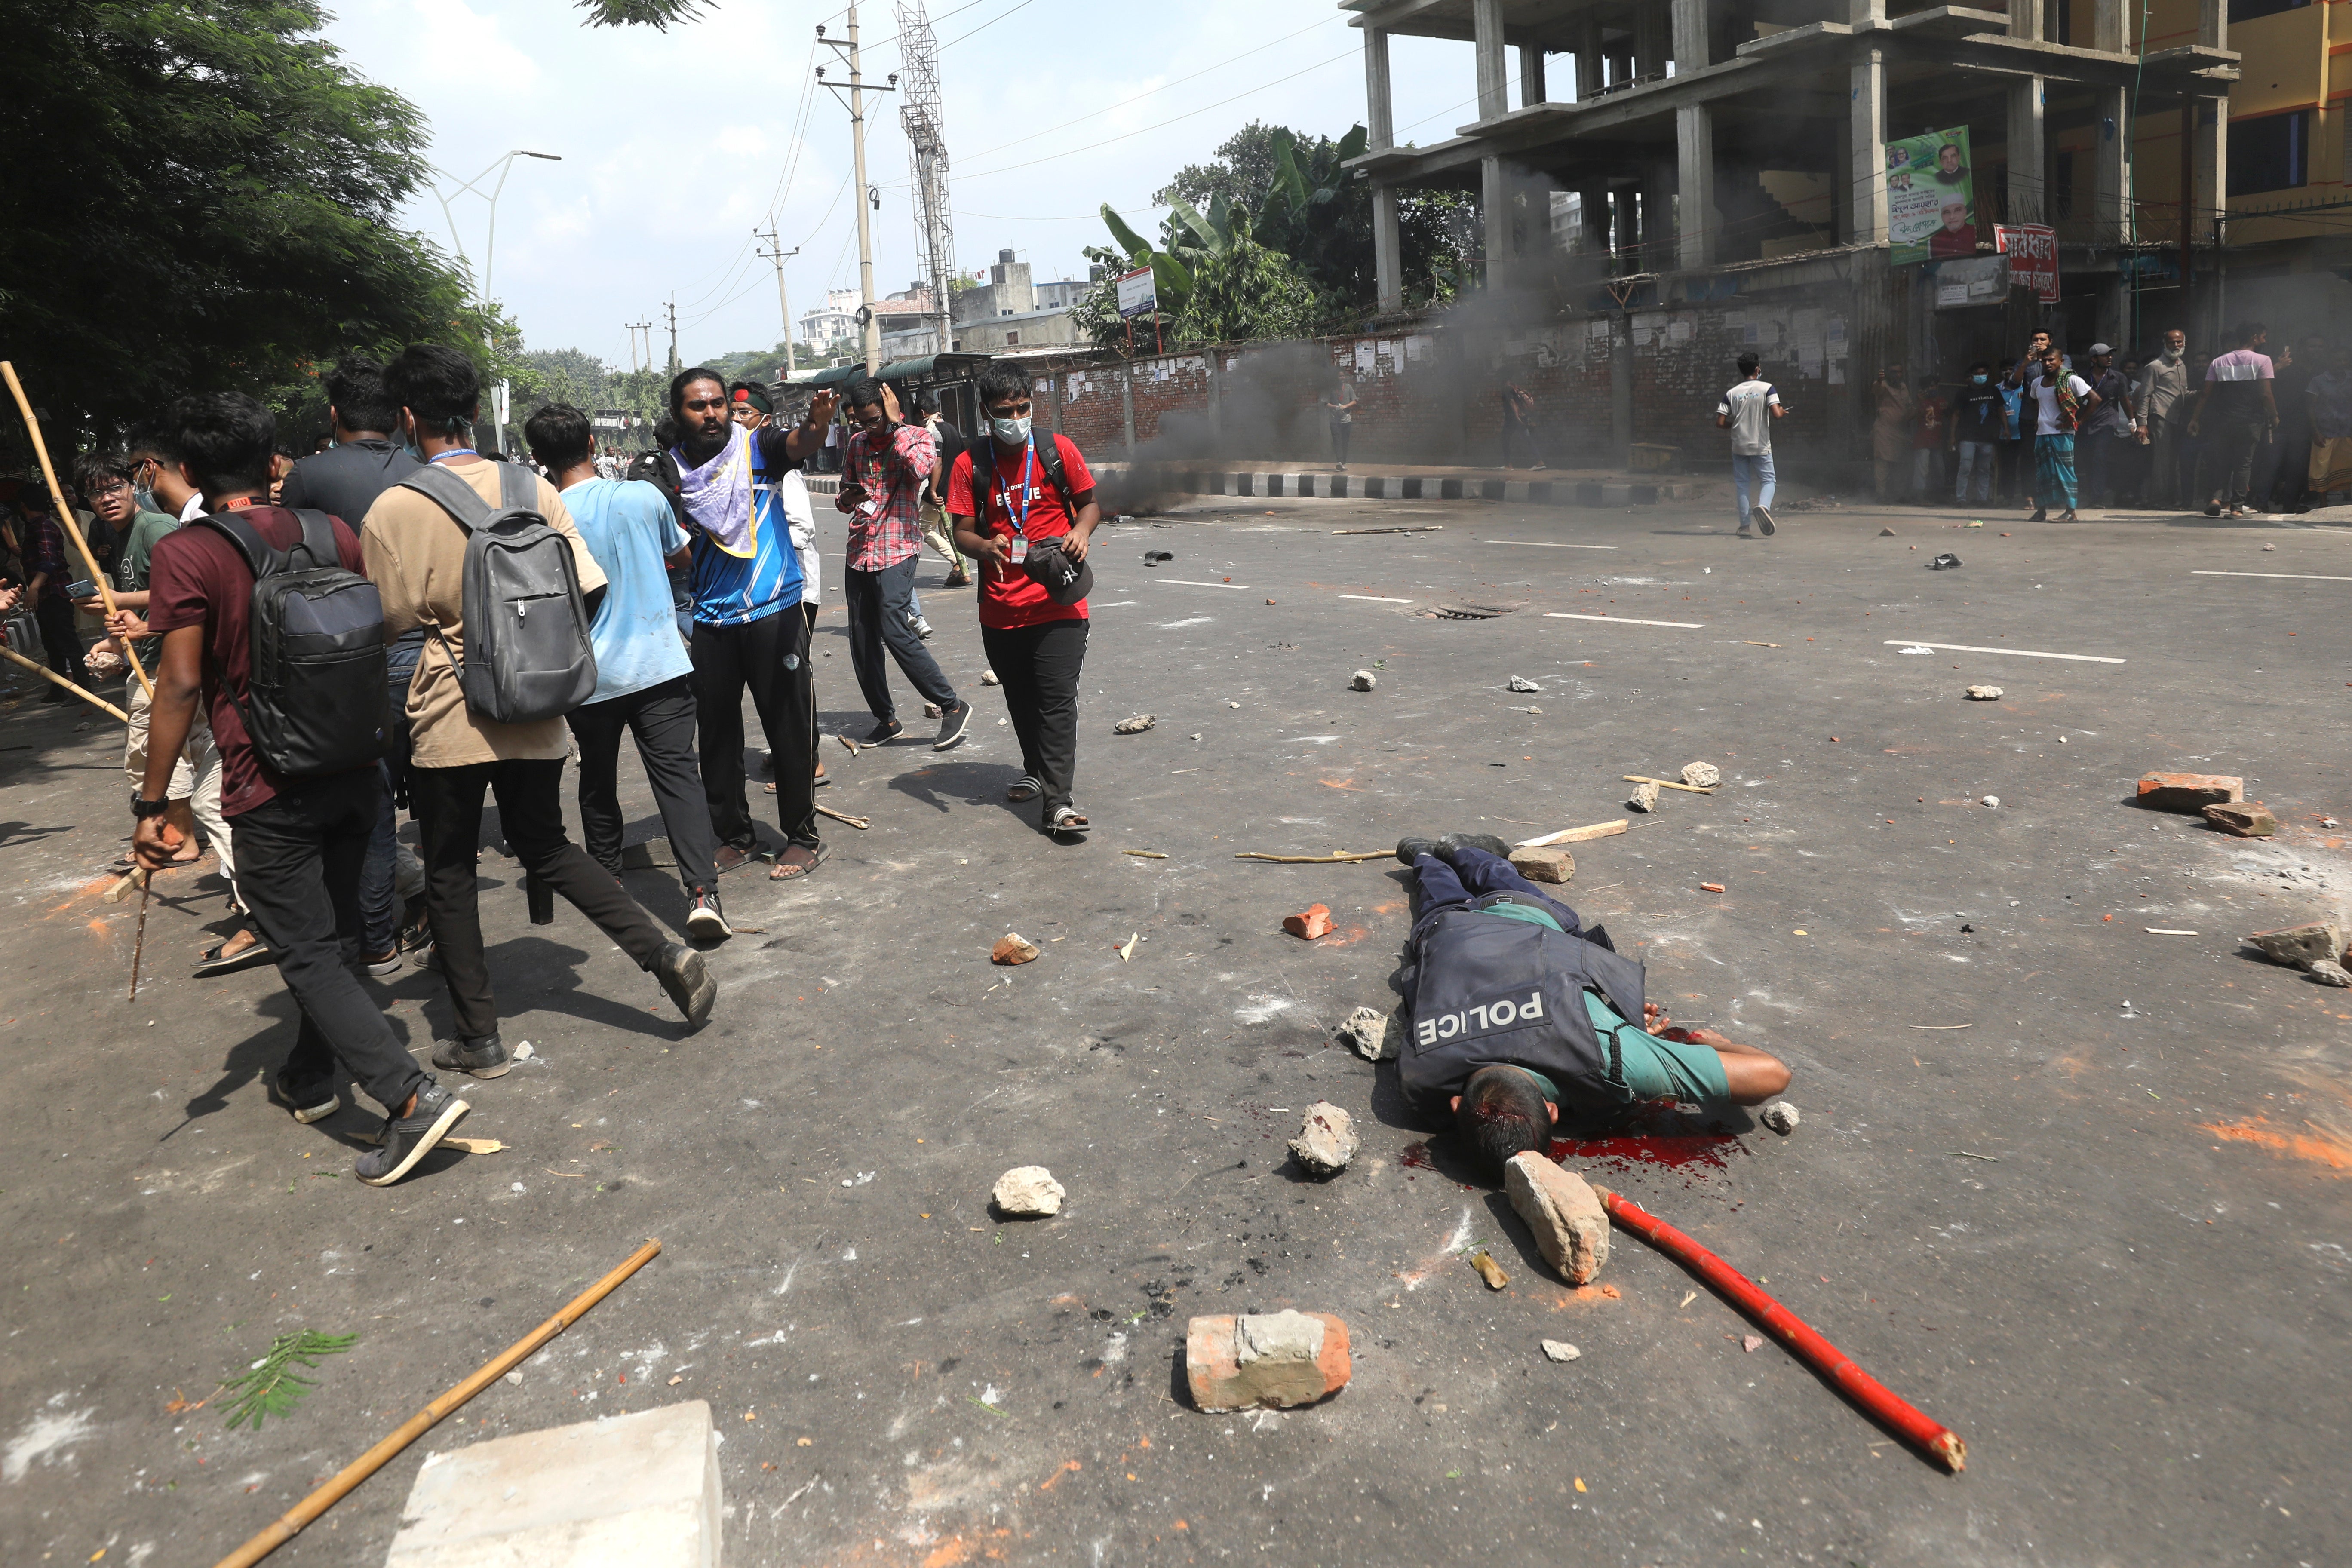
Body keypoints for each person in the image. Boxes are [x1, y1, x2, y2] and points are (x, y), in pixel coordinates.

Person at [139, 391, 470, 1184]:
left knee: (306, 948)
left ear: (187, 471)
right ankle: (311, 1075)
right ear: (275, 463)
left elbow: (180, 686)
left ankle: (409, 1097)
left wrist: (154, 804)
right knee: (341, 938)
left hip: (267, 781)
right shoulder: (336, 534)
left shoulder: (188, 555)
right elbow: (376, 630)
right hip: (357, 766)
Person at [362, 344, 717, 1081]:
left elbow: (389, 622)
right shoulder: (532, 486)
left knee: (452, 872)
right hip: (537, 702)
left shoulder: (393, 508)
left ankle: (479, 1038)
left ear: (406, 418)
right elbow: (586, 586)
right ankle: (663, 952)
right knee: (549, 846)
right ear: (470, 409)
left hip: (449, 709)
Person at [1391, 833, 1790, 1176]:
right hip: (1449, 930)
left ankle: (1456, 851)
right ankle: (1437, 855)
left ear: (1551, 1110)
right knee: (1462, 889)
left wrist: (1707, 1044)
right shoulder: (1420, 1077)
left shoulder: (1608, 1055)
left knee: (1502, 883)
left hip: (1517, 921)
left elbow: (1771, 1075)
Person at [524, 402, 731, 940]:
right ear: (593, 443)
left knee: (597, 779)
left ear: (540, 459)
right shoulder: (641, 495)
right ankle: (703, 893)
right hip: (658, 664)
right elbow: (681, 558)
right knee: (679, 777)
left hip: (588, 675)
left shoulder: (544, 516)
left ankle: (609, 884)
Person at [281, 357, 427, 975]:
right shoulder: (426, 471)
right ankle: (446, 923)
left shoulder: (308, 478)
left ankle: (375, 938)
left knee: (371, 805)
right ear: (401, 415)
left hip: (355, 657)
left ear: (334, 414)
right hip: (436, 648)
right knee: (441, 801)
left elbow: (294, 578)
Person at [669, 366, 831, 880]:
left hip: (773, 611)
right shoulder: (669, 471)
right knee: (716, 736)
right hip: (711, 620)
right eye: (699, 406)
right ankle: (735, 835)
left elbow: (799, 442)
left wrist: (818, 424)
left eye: (718, 402)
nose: (713, 413)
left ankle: (803, 836)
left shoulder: (756, 447)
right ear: (679, 413)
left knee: (788, 724)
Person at [946, 362, 1100, 838]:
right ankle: (1035, 768)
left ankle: (1058, 803)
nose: (1016, 417)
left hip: (1060, 601)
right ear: (986, 414)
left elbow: (1091, 503)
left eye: (1022, 408)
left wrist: (1080, 529)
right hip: (1000, 607)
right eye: (1004, 412)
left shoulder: (1058, 449)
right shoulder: (970, 463)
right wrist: (984, 546)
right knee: (1021, 698)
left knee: (1057, 702)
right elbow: (962, 531)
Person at [837, 376, 971, 749]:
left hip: (898, 547)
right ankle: (886, 719)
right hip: (860, 549)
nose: (868, 429)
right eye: (860, 422)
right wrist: (848, 499)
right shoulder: (856, 444)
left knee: (894, 627)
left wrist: (895, 428)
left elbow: (919, 472)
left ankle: (952, 705)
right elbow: (844, 492)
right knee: (862, 641)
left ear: (890, 409)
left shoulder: (915, 435)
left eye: (874, 420)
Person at [2187, 321, 2278, 519]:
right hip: (2250, 421)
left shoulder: (2219, 362)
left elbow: (2206, 394)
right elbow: (2266, 394)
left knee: (2221, 462)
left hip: (2222, 421)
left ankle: (2215, 499)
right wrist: (2274, 415)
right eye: (2263, 336)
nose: (2265, 340)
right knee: (2243, 464)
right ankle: (2236, 508)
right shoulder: (2263, 361)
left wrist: (2195, 419)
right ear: (2254, 337)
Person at [17, 489, 91, 700]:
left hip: (54, 594)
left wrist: (34, 588)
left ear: (24, 505)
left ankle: (83, 691)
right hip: (47, 596)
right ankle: (58, 689)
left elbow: (49, 560)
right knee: (52, 645)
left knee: (67, 644)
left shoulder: (42, 527)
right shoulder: (38, 526)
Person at [1713, 351, 1783, 538]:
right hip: (1760, 446)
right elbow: (1776, 414)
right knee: (1769, 481)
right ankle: (1763, 507)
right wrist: (1782, 412)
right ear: (1758, 369)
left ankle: (1744, 527)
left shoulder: (1731, 393)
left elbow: (1720, 423)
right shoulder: (1768, 388)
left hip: (1739, 446)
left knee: (1742, 484)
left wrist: (1734, 425)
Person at [2027, 347, 2099, 523]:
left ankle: (2071, 511)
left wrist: (2078, 421)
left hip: (2063, 433)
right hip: (2043, 433)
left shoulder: (2071, 380)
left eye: (2051, 360)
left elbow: (2095, 399)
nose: (2047, 363)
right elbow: (2034, 401)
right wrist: (2039, 418)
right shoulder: (2037, 383)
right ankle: (2042, 510)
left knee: (2065, 472)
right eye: (2044, 360)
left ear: (2061, 361)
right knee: (2043, 473)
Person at [913, 393, 971, 588]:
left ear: (922, 413)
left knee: (923, 529)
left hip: (940, 490)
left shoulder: (932, 431)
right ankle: (963, 571)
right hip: (954, 488)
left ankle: (957, 564)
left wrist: (933, 490)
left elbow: (937, 462)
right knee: (947, 532)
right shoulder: (952, 428)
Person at [2266, 334, 2326, 514]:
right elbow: (2266, 389)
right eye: (2312, 346)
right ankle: (2259, 502)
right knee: (2271, 465)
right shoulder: (2289, 368)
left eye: (2320, 347)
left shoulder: (2325, 371)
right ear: (2302, 349)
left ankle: (2290, 504)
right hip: (2282, 423)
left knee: (2299, 467)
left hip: (2310, 426)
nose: (2316, 350)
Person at [2134, 328, 2192, 507]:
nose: (2176, 345)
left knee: (2174, 461)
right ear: (2165, 344)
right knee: (2162, 461)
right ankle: (2158, 500)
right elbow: (2145, 396)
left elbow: (2183, 393)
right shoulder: (2155, 367)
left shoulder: (2181, 365)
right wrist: (2142, 423)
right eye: (2172, 342)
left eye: (2179, 342)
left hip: (2178, 418)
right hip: (2160, 417)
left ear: (2184, 342)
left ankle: (2173, 499)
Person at [2074, 343, 2136, 510]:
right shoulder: (2082, 378)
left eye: (2111, 355)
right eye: (2105, 355)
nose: (2110, 358)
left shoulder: (2118, 378)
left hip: (2107, 423)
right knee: (2088, 460)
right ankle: (2091, 494)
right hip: (2086, 424)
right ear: (2094, 359)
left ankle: (2098, 498)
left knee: (2099, 458)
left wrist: (2133, 422)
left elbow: (2124, 400)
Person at [1948, 361, 2008, 505]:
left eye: (1983, 374)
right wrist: (1952, 436)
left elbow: (2001, 411)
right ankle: (1961, 498)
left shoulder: (1993, 391)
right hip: (1967, 438)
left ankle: (1983, 499)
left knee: (1985, 469)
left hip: (1988, 437)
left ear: (1987, 375)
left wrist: (2006, 429)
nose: (1981, 376)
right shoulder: (1964, 393)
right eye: (1978, 374)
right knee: (1965, 467)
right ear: (1972, 376)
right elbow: (1956, 414)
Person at [2305, 344, 2352, 502]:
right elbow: (2310, 407)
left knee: (2347, 466)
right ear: (2330, 362)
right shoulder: (2318, 381)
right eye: (2337, 360)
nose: (2341, 363)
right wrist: (2316, 431)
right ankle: (2323, 503)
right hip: (2326, 431)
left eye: (2344, 360)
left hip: (2348, 430)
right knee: (2322, 469)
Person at [1870, 364, 1912, 502]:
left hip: (1900, 431)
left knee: (1900, 463)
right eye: (1893, 372)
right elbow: (1877, 389)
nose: (1896, 375)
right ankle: (1880, 495)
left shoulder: (1904, 388)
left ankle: (1899, 495)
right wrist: (1880, 380)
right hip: (1884, 430)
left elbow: (1908, 407)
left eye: (1898, 372)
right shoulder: (1883, 386)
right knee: (1883, 463)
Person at [1909, 375, 1947, 500]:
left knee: (1940, 469)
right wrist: (1918, 402)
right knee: (1922, 469)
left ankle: (1938, 495)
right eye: (1929, 386)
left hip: (1937, 441)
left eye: (1934, 386)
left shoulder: (1942, 401)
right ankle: (1919, 496)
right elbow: (1909, 417)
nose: (1932, 388)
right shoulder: (1921, 402)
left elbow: (1950, 415)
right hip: (1923, 441)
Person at [1499, 381, 1543, 470]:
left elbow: (1512, 402)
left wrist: (1516, 417)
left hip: (1512, 419)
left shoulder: (1507, 389)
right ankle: (1539, 462)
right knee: (1528, 439)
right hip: (1522, 418)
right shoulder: (1517, 390)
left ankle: (1508, 465)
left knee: (1505, 439)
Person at [1322, 374, 1358, 472]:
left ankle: (1343, 463)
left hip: (1346, 421)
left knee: (1345, 442)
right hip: (1334, 421)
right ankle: (1340, 462)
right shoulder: (1331, 389)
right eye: (1339, 376)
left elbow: (1355, 401)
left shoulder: (1348, 387)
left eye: (1343, 376)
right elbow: (1326, 404)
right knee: (1337, 442)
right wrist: (1336, 407)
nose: (1342, 378)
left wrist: (1345, 407)